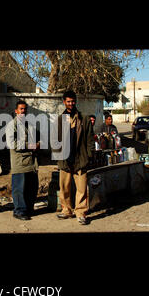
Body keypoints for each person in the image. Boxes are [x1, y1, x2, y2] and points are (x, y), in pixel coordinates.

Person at [54, 90, 94, 225]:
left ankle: (81, 212)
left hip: (80, 159)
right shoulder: (60, 119)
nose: (71, 104)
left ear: (75, 101)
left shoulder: (84, 119)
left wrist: (89, 156)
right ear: (64, 102)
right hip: (65, 160)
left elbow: (89, 140)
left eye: (73, 101)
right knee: (64, 187)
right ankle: (66, 210)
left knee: (82, 188)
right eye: (68, 101)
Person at [6, 100, 39, 221]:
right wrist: (30, 145)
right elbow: (11, 143)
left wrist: (38, 144)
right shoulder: (12, 125)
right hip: (19, 162)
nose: (23, 111)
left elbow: (36, 139)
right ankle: (19, 211)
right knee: (19, 188)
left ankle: (28, 209)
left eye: (25, 109)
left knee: (31, 187)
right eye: (21, 109)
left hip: (31, 162)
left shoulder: (29, 125)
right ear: (16, 111)